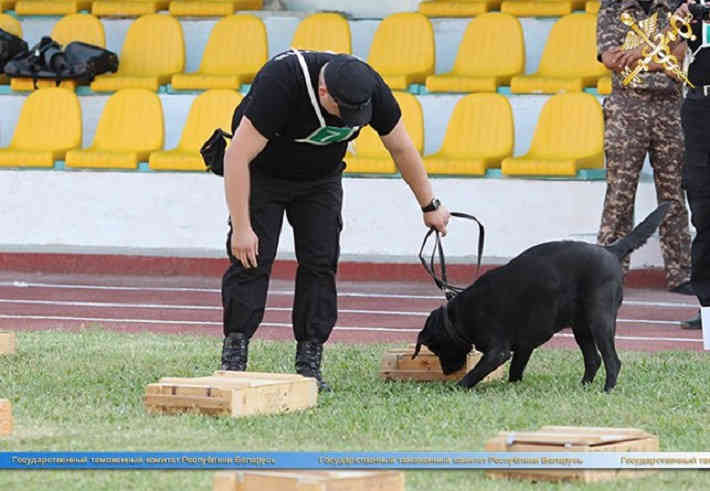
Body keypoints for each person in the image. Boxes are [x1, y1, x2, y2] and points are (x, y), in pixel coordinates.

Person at [219, 49, 451, 391]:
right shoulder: (282, 81)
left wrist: (429, 205)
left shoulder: (368, 85)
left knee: (320, 262)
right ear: (323, 92)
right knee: (251, 259)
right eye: (344, 112)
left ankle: (309, 361)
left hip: (320, 180)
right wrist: (241, 227)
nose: (350, 120)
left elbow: (401, 148)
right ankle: (234, 356)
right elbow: (236, 156)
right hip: (264, 175)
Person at [596, 0, 694, 296]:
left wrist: (637, 55)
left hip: (669, 109)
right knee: (620, 196)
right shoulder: (613, 8)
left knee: (674, 194)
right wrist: (658, 54)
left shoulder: (677, 8)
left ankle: (680, 274)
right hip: (626, 110)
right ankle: (604, 272)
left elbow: (677, 57)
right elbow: (611, 58)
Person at [675, 0, 710, 335]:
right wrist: (680, 19)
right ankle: (709, 308)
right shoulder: (685, 7)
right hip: (699, 106)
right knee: (704, 211)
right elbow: (667, 54)